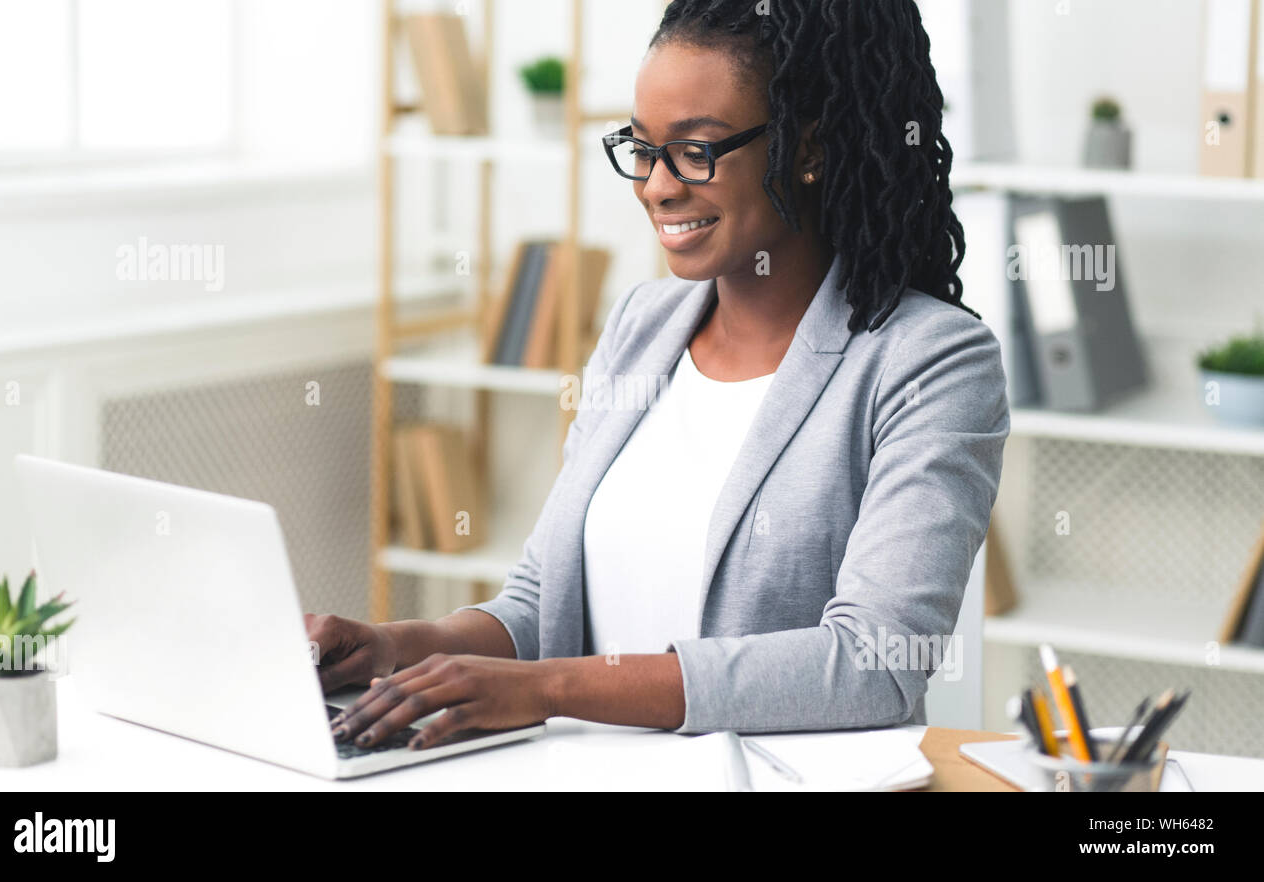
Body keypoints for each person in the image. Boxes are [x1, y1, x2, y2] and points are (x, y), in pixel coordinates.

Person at [315, 0, 1009, 751]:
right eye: (641, 148)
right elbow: (543, 605)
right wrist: (397, 646)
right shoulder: (640, 327)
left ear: (809, 145)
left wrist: (549, 688)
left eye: (696, 150)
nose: (656, 186)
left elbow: (872, 663)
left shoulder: (929, 362)